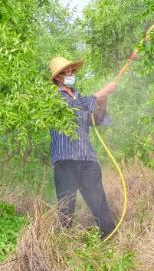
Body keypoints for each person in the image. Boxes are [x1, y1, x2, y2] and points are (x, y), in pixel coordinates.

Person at [48, 56, 118, 238]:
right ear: (57, 78)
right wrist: (101, 92)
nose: (70, 74)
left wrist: (104, 99)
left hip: (87, 159)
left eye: (72, 71)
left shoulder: (79, 96)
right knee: (65, 210)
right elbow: (76, 107)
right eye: (65, 72)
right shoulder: (54, 99)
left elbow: (97, 119)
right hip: (66, 161)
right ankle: (60, 246)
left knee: (99, 204)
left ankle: (109, 240)